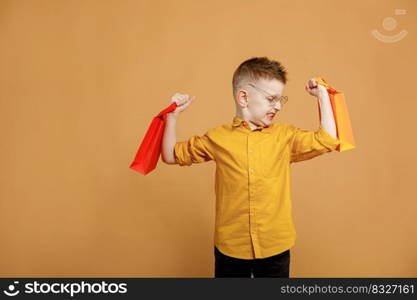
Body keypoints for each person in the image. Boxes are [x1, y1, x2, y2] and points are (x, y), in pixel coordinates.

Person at [161, 57, 339, 278]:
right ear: (243, 97)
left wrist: (322, 95)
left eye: (280, 98)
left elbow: (329, 140)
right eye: (271, 99)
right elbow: (170, 155)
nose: (278, 105)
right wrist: (172, 116)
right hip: (231, 249)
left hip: (276, 246)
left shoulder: (285, 137)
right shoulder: (217, 138)